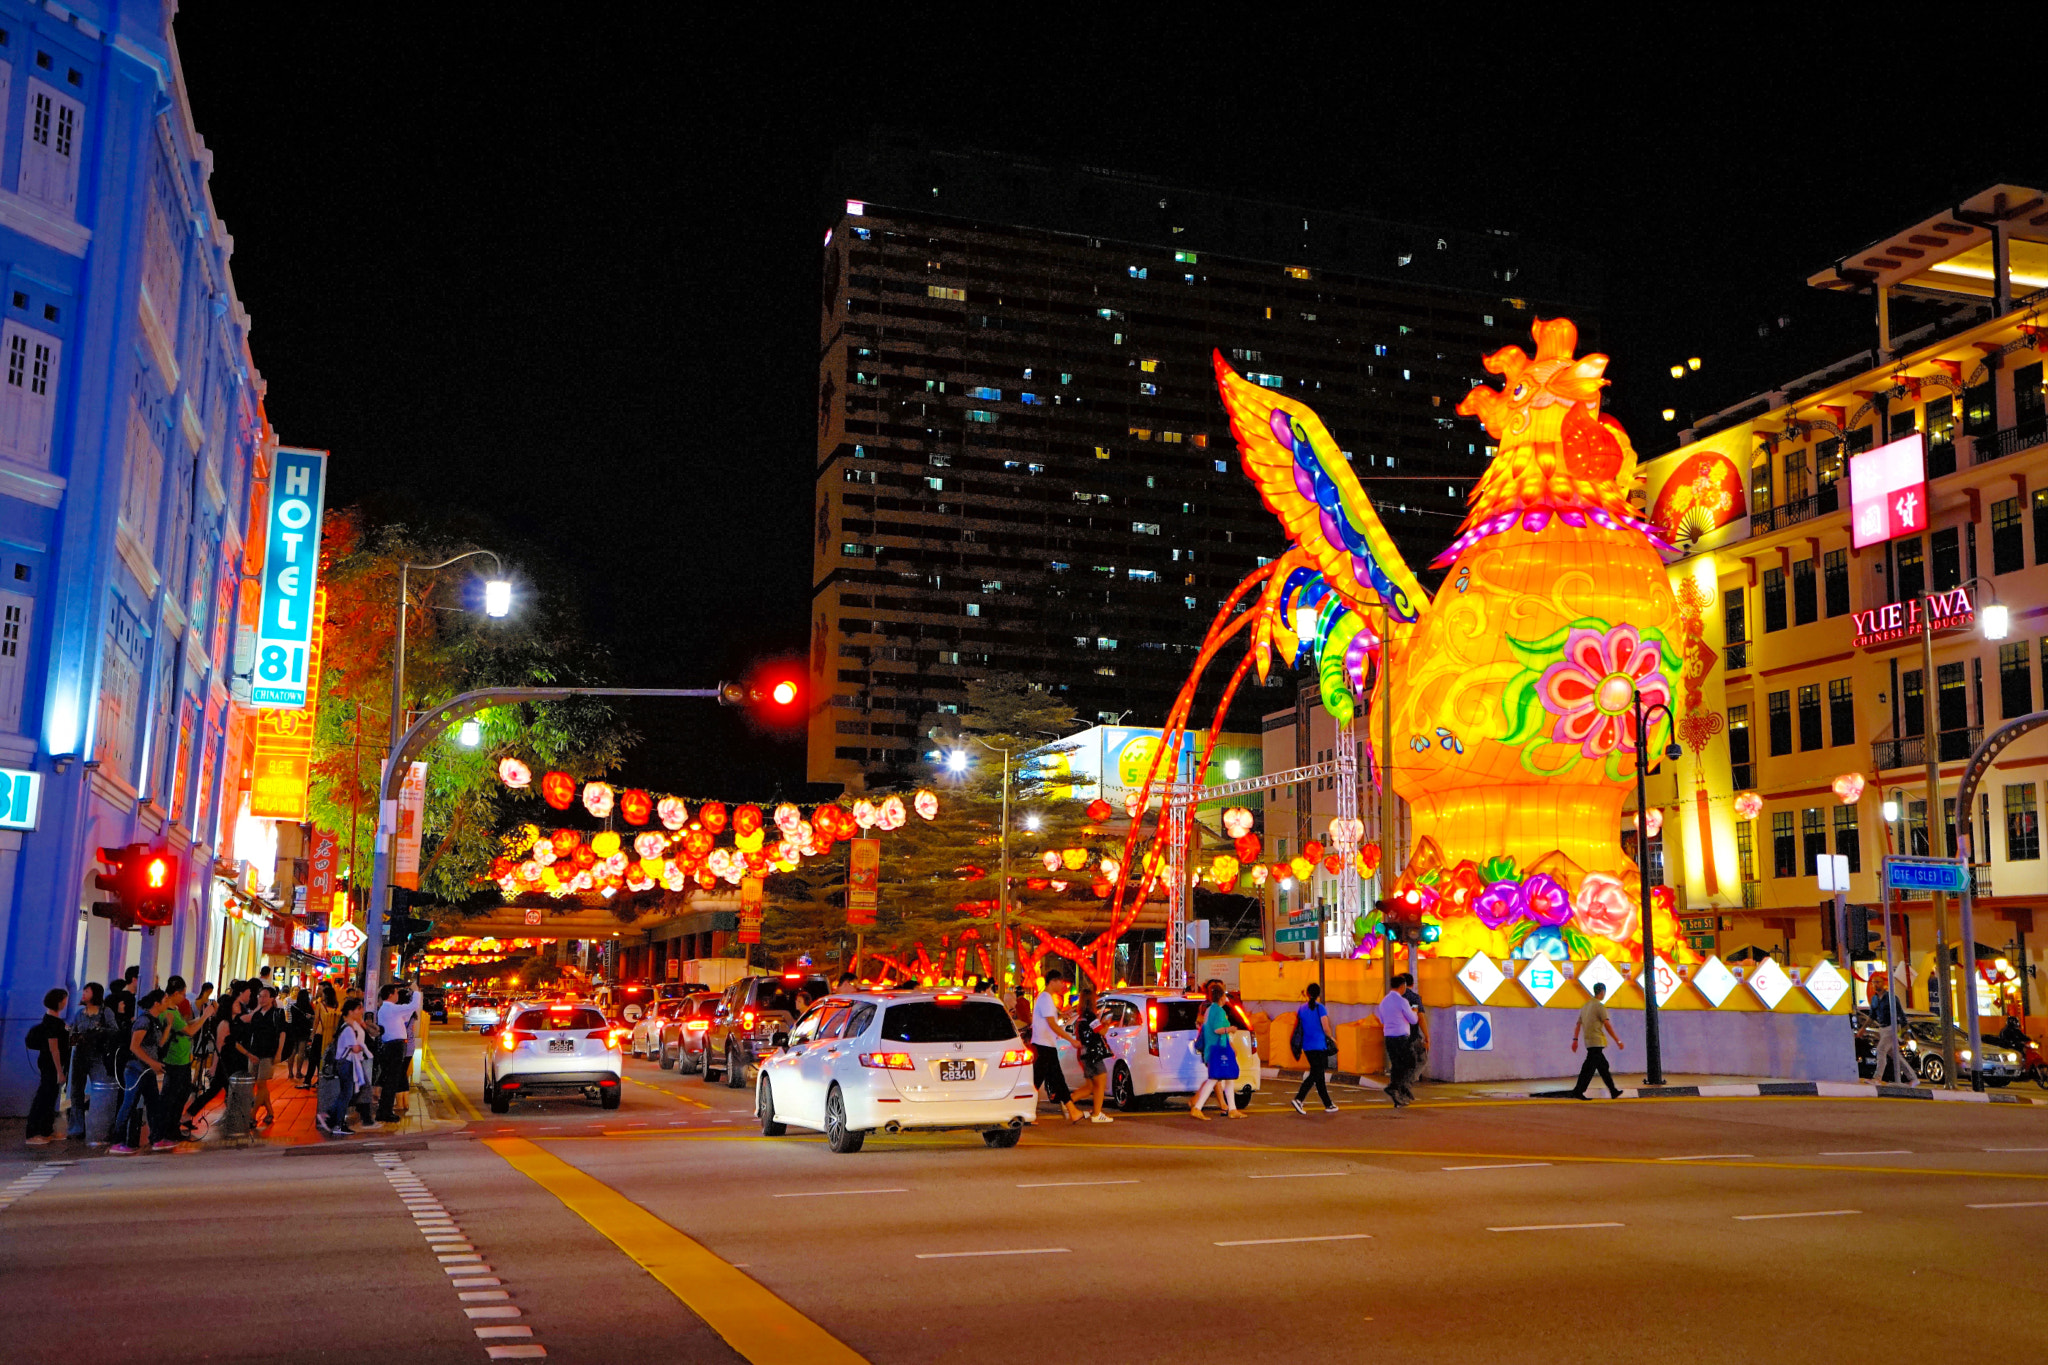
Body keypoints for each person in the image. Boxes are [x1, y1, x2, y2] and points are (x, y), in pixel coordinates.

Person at [111, 990, 171, 1155]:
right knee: (129, 1103)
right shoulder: (143, 1021)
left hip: (147, 1070)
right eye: (165, 999)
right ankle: (117, 1141)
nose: (168, 1002)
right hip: (136, 1069)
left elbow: (157, 1044)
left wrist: (169, 1027)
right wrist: (152, 1063)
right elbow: (134, 1046)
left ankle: (157, 1139)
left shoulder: (155, 1021)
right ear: (156, 1003)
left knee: (154, 1104)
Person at [184, 981, 250, 1129]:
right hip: (223, 1063)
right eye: (236, 1004)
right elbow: (218, 1047)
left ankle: (232, 1117)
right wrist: (213, 1067)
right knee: (216, 1091)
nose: (239, 1006)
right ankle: (188, 1115)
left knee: (225, 1091)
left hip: (229, 1062)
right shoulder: (224, 1024)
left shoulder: (233, 1022)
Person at [1029, 971, 1084, 1123]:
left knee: (1045, 1079)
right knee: (1047, 1079)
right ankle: (1072, 1110)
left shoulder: (1045, 999)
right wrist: (1070, 1039)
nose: (1062, 986)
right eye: (1061, 982)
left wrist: (1063, 1015)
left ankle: (1071, 1110)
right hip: (1044, 1046)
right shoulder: (1046, 998)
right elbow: (1052, 1025)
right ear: (1053, 981)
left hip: (1045, 1045)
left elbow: (1051, 1020)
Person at [158, 976, 207, 1141]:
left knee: (182, 1091)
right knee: (174, 1095)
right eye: (183, 994)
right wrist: (205, 1016)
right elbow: (190, 1031)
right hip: (176, 1060)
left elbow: (186, 1027)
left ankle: (171, 1127)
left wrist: (199, 1019)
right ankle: (169, 1128)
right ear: (176, 993)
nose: (185, 997)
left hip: (182, 1058)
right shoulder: (169, 1012)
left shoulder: (174, 1010)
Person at [65, 983, 119, 1134]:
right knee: (76, 1092)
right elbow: (73, 1033)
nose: (83, 994)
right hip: (80, 1055)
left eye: (87, 991)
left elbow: (115, 1031)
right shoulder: (80, 1014)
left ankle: (101, 1123)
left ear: (95, 994)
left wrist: (99, 1030)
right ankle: (76, 1128)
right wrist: (74, 1036)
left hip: (99, 1055)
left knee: (101, 1088)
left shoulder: (105, 1012)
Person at [1189, 981, 1246, 1119]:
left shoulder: (1210, 1010)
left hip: (1215, 1048)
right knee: (1215, 1078)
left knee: (1227, 1077)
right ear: (1221, 997)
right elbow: (1217, 1030)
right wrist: (1230, 1029)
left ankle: (1232, 1109)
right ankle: (1197, 1107)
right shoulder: (1219, 1011)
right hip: (1218, 1049)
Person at [319, 996, 372, 1137]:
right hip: (346, 1064)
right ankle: (337, 1123)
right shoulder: (348, 1029)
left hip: (345, 1064)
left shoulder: (346, 1025)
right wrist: (361, 1048)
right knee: (346, 1094)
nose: (361, 1011)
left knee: (346, 1094)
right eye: (358, 1008)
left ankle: (331, 1118)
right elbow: (354, 1048)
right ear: (350, 1011)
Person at [25, 987, 69, 1145]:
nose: (65, 1002)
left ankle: (46, 1130)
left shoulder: (54, 1021)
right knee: (44, 1097)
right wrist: (59, 1071)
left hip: (49, 1063)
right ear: (59, 1002)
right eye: (64, 999)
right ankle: (33, 1132)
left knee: (50, 1097)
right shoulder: (53, 1024)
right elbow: (54, 1048)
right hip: (50, 1065)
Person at [374, 984, 423, 1123]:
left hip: (392, 1045)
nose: (397, 995)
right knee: (392, 1080)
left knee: (391, 1079)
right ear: (390, 994)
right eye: (396, 992)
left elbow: (406, 1015)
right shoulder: (390, 1008)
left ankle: (385, 1110)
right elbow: (413, 1006)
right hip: (394, 1046)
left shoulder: (388, 1009)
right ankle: (385, 1112)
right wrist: (416, 991)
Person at [1569, 980, 1625, 1099]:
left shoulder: (1586, 1006)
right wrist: (1617, 1040)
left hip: (1588, 1041)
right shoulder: (1599, 1006)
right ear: (1603, 992)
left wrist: (1575, 1040)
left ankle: (1613, 1091)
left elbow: (1578, 1024)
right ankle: (1579, 1091)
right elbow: (1607, 1024)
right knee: (1590, 1069)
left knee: (1602, 1066)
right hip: (1597, 1041)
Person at [1290, 982, 1339, 1114]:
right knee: (1316, 1073)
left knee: (1319, 1075)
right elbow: (1326, 1027)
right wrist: (1332, 1038)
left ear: (1307, 993)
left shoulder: (1301, 1009)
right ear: (1318, 994)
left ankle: (1328, 1104)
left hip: (1307, 1046)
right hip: (1319, 1046)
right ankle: (1299, 1098)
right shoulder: (1320, 1008)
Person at [242, 986, 287, 1128]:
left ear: (273, 998)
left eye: (265, 996)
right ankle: (270, 1112)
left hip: (268, 1052)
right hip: (255, 1052)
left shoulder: (277, 1013)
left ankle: (252, 1115)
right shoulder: (256, 1014)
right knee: (257, 1083)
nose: (262, 999)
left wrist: (279, 1052)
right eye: (260, 996)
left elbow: (282, 1033)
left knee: (261, 1083)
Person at [1070, 982, 1113, 1123]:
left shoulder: (1081, 1017)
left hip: (1084, 1054)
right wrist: (1106, 1023)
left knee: (1089, 1086)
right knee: (1100, 1082)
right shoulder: (1091, 1017)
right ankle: (1097, 1113)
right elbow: (1101, 1031)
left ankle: (1068, 1103)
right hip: (1094, 1054)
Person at [1866, 970, 1917, 1085]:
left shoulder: (1891, 997)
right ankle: (1913, 1078)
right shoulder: (1874, 999)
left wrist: (1905, 1030)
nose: (1875, 984)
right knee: (1895, 1055)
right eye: (1873, 982)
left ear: (1883, 983)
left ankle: (1877, 1078)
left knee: (1881, 1050)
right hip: (1882, 1029)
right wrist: (1862, 1029)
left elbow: (1901, 1014)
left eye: (1878, 982)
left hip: (1892, 1027)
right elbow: (1871, 1016)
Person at [1376, 974, 1420, 1108]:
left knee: (1397, 1064)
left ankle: (1397, 1093)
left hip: (1389, 1037)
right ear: (1402, 987)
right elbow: (1413, 1020)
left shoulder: (1383, 1001)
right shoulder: (1402, 1001)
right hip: (1401, 1036)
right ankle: (1398, 1087)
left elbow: (1382, 1020)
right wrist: (1414, 1012)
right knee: (1411, 1062)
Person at [1400, 974, 1431, 1086]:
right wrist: (1427, 1037)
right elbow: (1420, 1017)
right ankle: (1408, 1080)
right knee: (1422, 1058)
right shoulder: (1413, 998)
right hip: (1411, 1035)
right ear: (1412, 984)